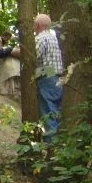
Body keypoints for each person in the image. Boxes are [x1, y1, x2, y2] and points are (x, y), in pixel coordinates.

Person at [34, 13, 64, 142]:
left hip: (46, 79)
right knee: (57, 114)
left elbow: (32, 56)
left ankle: (51, 147)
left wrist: (12, 51)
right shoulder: (56, 38)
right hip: (60, 79)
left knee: (48, 115)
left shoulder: (41, 38)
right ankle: (59, 146)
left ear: (37, 25)